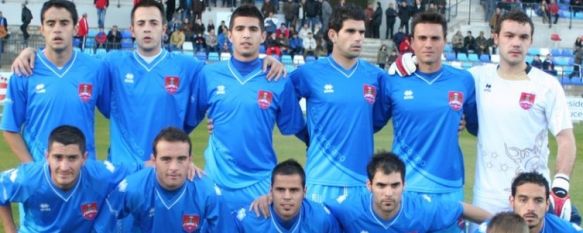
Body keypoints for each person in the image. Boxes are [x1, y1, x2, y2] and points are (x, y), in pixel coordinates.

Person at [12, 0, 285, 172]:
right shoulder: (110, 63)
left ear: (164, 28)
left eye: (153, 22)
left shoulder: (189, 67)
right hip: (122, 170)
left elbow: (221, 87)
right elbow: (67, 59)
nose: (147, 28)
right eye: (141, 23)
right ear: (131, 29)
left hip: (169, 169)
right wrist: (30, 53)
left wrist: (266, 60)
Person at [189, 5, 305, 211]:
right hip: (216, 182)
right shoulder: (209, 75)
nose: (246, 35)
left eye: (253, 30)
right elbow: (186, 122)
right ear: (230, 35)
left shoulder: (277, 78)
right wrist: (185, 160)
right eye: (240, 29)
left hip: (261, 186)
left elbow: (294, 127)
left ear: (262, 36)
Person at [469, 9, 576, 224]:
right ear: (496, 38)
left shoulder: (547, 85)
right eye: (509, 36)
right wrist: (409, 61)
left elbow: (565, 138)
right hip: (487, 198)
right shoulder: (477, 77)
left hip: (531, 199)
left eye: (523, 37)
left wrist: (561, 185)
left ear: (531, 41)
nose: (516, 43)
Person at [381, 11, 478, 233]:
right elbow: (373, 121)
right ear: (412, 42)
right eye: (422, 38)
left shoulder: (463, 80)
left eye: (435, 38)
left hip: (448, 185)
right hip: (406, 187)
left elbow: (475, 125)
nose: (428, 44)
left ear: (445, 41)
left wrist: (459, 121)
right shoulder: (393, 80)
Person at [289, 3, 387, 204]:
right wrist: (307, 134)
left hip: (361, 182)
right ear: (333, 35)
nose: (358, 37)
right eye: (350, 31)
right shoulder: (309, 73)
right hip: (320, 181)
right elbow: (282, 103)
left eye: (361, 32)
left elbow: (378, 118)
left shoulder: (376, 76)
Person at [1, 0, 109, 163]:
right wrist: (33, 169)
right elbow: (10, 127)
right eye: (51, 23)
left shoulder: (95, 68)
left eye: (64, 23)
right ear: (42, 29)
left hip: (84, 173)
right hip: (41, 175)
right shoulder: (24, 70)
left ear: (76, 28)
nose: (57, 29)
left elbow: (117, 113)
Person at [0, 125, 134, 233]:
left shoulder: (101, 174)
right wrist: (10, 229)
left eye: (72, 158)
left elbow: (137, 174)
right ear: (47, 157)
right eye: (58, 157)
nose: (64, 167)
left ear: (84, 158)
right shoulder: (29, 178)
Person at [94, 127, 230, 232]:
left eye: (181, 159)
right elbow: (102, 225)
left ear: (190, 160)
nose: (174, 167)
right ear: (153, 160)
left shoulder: (208, 192)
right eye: (166, 159)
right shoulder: (132, 187)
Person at [326, 152, 491, 232]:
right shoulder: (348, 207)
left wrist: (501, 224)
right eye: (381, 185)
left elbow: (462, 209)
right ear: (369, 185)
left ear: (404, 185)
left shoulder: (422, 208)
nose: (389, 193)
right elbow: (313, 214)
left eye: (395, 185)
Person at [234, 159, 339, 232]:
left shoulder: (322, 219)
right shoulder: (248, 221)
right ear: (270, 191)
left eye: (294, 190)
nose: (287, 196)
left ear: (304, 192)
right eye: (280, 190)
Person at [475, 172, 582, 233]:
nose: (531, 207)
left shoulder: (565, 230)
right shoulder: (493, 229)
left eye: (538, 200)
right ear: (512, 202)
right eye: (523, 200)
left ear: (547, 204)